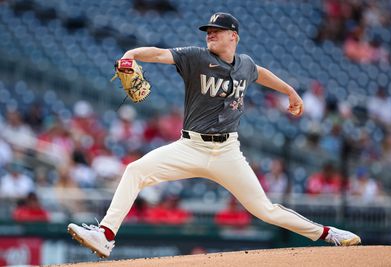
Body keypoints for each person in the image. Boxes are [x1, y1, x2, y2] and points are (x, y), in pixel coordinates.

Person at [68, 12, 361, 258]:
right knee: (135, 170)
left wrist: (291, 91)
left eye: (217, 31)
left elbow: (261, 72)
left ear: (233, 36)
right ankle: (105, 235)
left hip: (227, 152)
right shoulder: (195, 57)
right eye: (208, 30)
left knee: (265, 210)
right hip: (190, 146)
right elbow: (158, 53)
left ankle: (328, 233)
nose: (210, 34)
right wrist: (131, 54)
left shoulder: (244, 64)